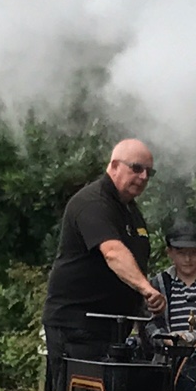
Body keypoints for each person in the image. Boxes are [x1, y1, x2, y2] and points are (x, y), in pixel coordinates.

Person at [43, 140, 166, 372]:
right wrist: (146, 288)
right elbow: (113, 253)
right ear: (115, 165)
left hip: (112, 329)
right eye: (137, 168)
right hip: (78, 328)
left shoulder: (130, 210)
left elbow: (136, 261)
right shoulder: (92, 202)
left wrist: (144, 304)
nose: (144, 177)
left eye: (150, 172)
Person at [150, 220, 196, 332]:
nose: (187, 259)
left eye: (194, 253)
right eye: (181, 253)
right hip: (169, 346)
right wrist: (165, 339)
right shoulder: (158, 284)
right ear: (169, 252)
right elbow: (149, 323)